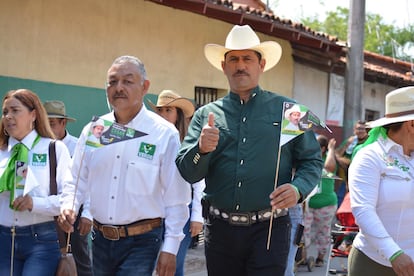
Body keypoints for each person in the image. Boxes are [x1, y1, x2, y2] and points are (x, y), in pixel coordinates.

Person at [175, 24, 323, 275]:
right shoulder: (205, 115)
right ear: (224, 66)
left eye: (247, 58)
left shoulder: (291, 110)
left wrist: (298, 189)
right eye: (233, 59)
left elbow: (313, 161)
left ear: (261, 64)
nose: (240, 65)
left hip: (270, 231)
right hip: (219, 232)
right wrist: (201, 149)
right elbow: (188, 172)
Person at [58, 55, 191, 276]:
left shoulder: (162, 133)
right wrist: (68, 205)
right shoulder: (96, 130)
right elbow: (77, 177)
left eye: (127, 81)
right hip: (99, 241)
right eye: (112, 82)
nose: (118, 88)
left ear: (145, 86)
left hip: (143, 242)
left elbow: (176, 196)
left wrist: (171, 247)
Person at [0, 89, 71, 275]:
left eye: (15, 110)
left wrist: (34, 203)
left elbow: (68, 198)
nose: (8, 117)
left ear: (33, 114)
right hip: (3, 239)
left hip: (41, 240)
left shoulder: (54, 149)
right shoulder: (1, 152)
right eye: (5, 112)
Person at [348, 86, 414, 275]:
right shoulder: (370, 157)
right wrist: (394, 254)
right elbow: (363, 210)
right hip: (374, 263)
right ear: (411, 124)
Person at [149, 89, 205, 276]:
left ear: (178, 114)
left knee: (174, 265)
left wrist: (197, 216)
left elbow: (198, 182)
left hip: (181, 211)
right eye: (160, 110)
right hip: (152, 212)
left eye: (168, 110)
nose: (163, 115)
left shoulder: (188, 144)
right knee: (154, 267)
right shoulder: (150, 140)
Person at [43, 100, 93, 276]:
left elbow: (88, 182)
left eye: (52, 124)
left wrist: (87, 213)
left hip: (74, 213)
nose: (47, 129)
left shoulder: (78, 145)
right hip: (47, 210)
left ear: (63, 123)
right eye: (44, 123)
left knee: (79, 262)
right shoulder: (40, 147)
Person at [302, 134, 337, 267]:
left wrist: (332, 149)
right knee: (303, 231)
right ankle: (302, 257)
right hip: (308, 204)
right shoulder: (308, 158)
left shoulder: (329, 158)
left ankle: (320, 258)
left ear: (323, 148)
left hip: (325, 205)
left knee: (323, 232)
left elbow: (329, 168)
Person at [334, 120, 368, 206]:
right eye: (358, 128)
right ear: (354, 130)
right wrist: (346, 145)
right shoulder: (350, 141)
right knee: (341, 198)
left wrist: (344, 161)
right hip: (344, 177)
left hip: (362, 177)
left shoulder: (369, 142)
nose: (360, 131)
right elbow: (336, 154)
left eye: (363, 129)